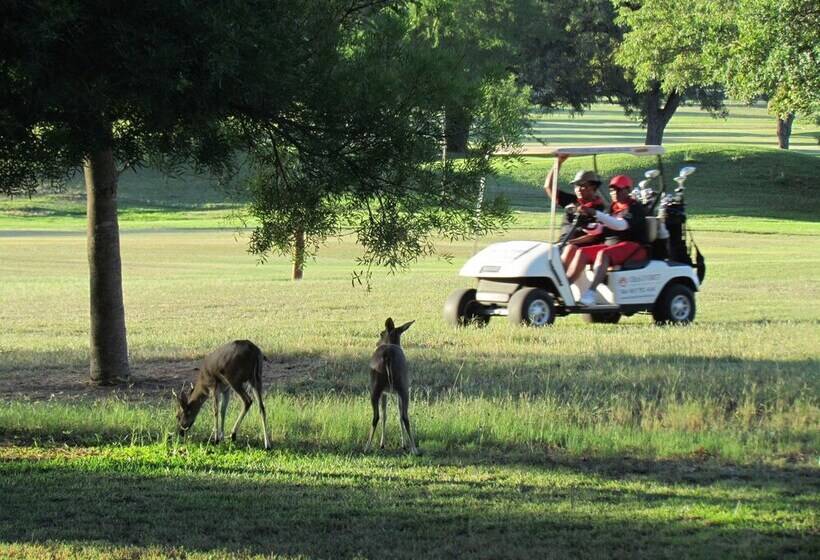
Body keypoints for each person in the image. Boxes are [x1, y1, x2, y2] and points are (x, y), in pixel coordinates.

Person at [564, 174, 648, 306]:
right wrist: (584, 225)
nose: (615, 193)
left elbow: (621, 225)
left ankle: (591, 292)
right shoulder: (613, 207)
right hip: (612, 245)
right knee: (581, 252)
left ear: (628, 190)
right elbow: (599, 229)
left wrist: (595, 213)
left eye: (618, 189)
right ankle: (564, 288)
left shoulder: (634, 207)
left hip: (633, 246)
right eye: (612, 190)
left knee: (603, 254)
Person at [544, 155, 606, 268]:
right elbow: (549, 187)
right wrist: (558, 162)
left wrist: (570, 243)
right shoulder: (572, 200)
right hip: (562, 245)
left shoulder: (599, 209)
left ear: (593, 187)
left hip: (579, 249)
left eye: (583, 186)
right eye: (576, 186)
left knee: (564, 255)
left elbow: (594, 236)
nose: (578, 189)